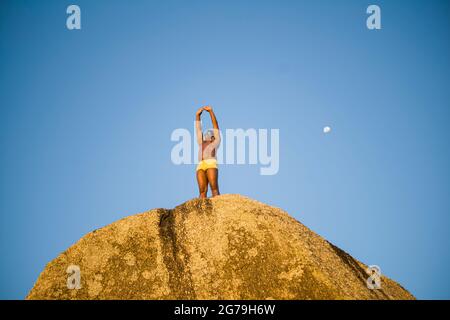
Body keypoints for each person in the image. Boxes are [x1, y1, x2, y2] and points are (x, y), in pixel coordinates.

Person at [195, 106, 221, 198]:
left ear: (213, 136)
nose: (207, 134)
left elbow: (215, 125)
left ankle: (218, 207)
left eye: (209, 133)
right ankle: (201, 210)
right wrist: (197, 116)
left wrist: (211, 111)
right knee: (202, 191)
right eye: (206, 133)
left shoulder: (215, 142)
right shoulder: (201, 142)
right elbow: (198, 130)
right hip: (200, 164)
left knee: (214, 188)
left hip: (211, 163)